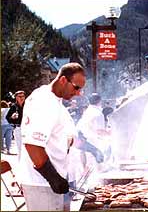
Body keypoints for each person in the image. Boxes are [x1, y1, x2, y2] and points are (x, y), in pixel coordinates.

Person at [19, 62, 86, 211]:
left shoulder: (55, 101)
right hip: (41, 183)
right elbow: (32, 145)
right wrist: (53, 178)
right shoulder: (43, 101)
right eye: (76, 87)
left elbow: (63, 137)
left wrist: (87, 146)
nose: (78, 93)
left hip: (51, 182)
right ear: (63, 80)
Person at [76, 93, 111, 171]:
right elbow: (99, 131)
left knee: (92, 157)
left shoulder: (88, 110)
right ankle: (97, 175)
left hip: (79, 138)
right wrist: (110, 133)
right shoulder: (97, 113)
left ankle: (88, 172)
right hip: (86, 139)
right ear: (99, 101)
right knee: (99, 155)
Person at [6, 90, 26, 160]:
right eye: (20, 96)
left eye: (23, 96)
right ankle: (20, 165)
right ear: (16, 97)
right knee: (20, 148)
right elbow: (7, 118)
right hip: (18, 129)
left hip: (27, 129)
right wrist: (12, 117)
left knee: (27, 148)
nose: (22, 98)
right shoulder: (13, 106)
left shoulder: (27, 106)